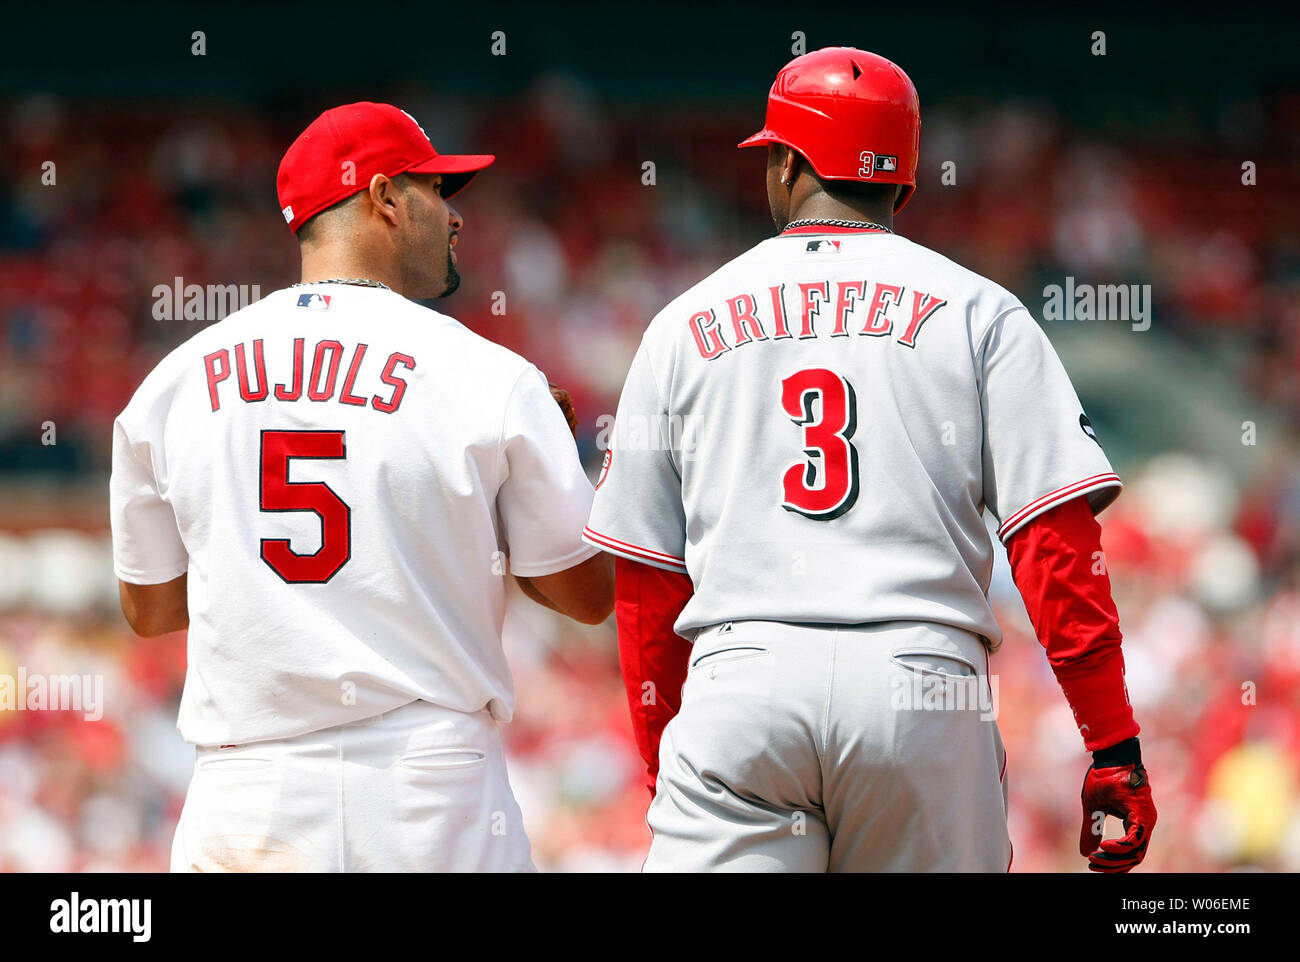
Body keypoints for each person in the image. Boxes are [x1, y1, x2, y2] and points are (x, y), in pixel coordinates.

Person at [584, 49, 1156, 872]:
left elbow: (647, 585)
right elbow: (1054, 546)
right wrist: (1113, 746)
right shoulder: (979, 311)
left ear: (786, 163)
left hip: (741, 679)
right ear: (904, 179)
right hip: (921, 683)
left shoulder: (683, 323)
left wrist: (663, 769)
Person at [110, 102, 612, 872]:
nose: (454, 217)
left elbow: (149, 609)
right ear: (384, 197)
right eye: (438, 191)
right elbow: (587, 593)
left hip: (247, 788)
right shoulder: (489, 375)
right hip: (425, 787)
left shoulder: (171, 383)